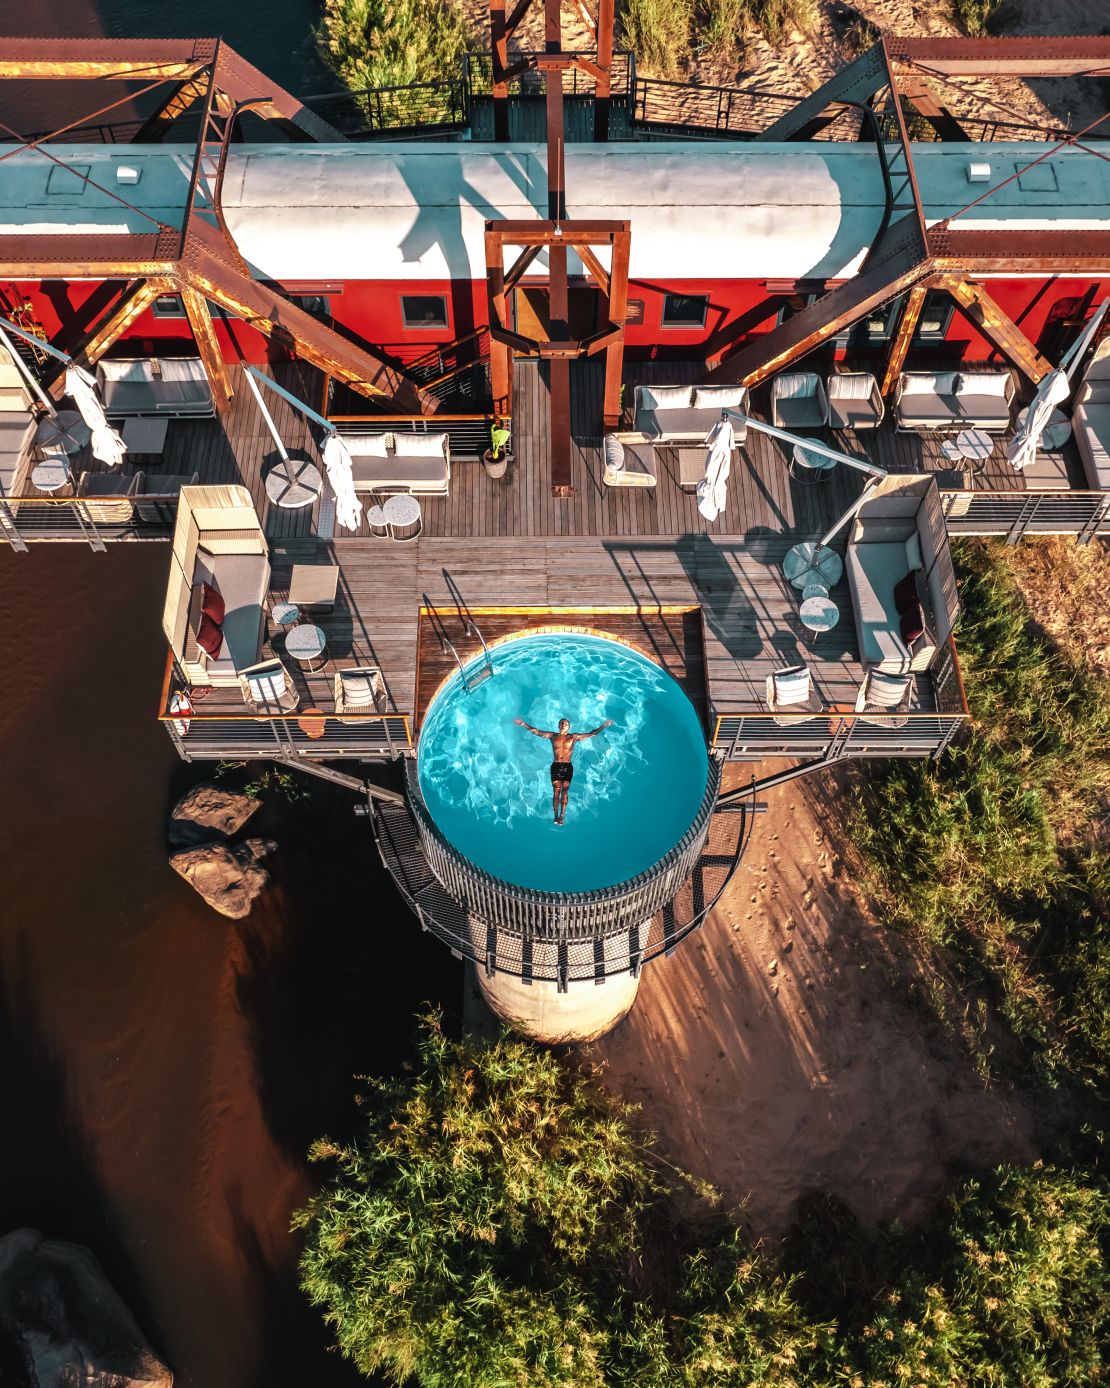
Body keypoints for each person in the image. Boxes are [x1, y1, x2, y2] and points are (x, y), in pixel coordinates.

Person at [513, 715, 614, 825]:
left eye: (566, 723)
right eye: (562, 723)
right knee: (556, 792)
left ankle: (562, 816)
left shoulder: (573, 737)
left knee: (564, 791)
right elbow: (537, 732)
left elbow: (592, 733)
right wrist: (523, 724)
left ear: (569, 727)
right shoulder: (552, 736)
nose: (563, 724)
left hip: (567, 766)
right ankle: (556, 816)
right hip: (556, 766)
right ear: (558, 726)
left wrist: (604, 725)